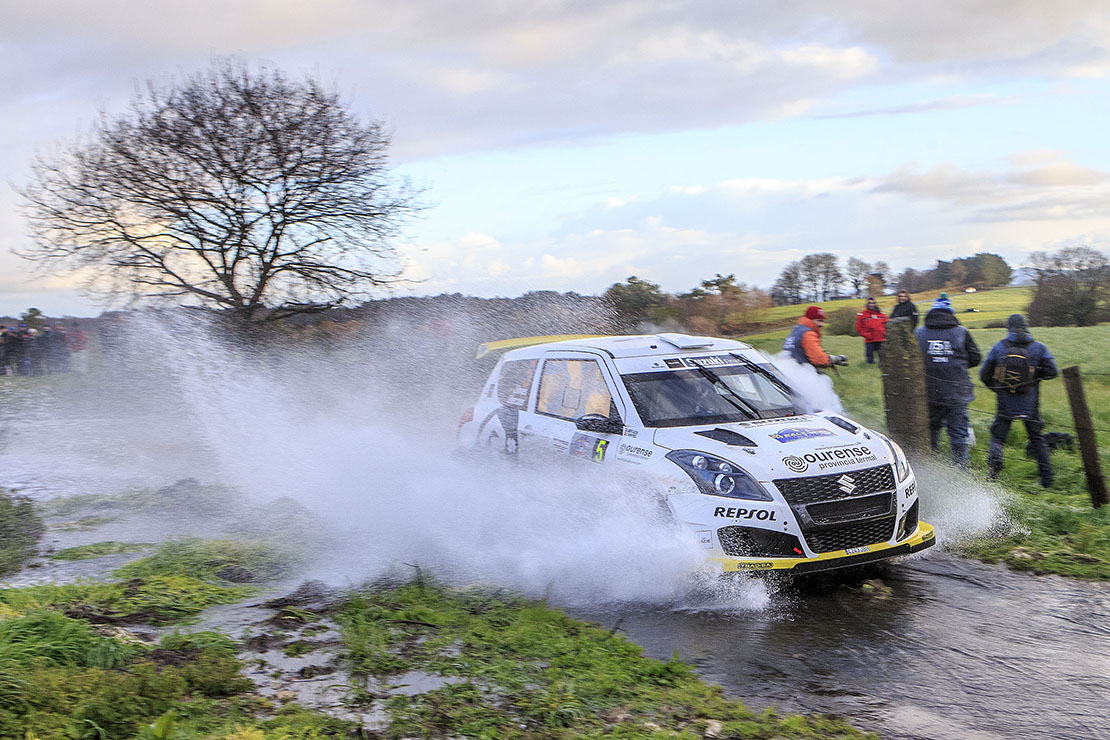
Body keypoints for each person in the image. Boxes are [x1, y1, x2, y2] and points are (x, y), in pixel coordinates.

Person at [979, 314, 1058, 487]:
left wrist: (998, 387)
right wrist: (1035, 378)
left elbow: (983, 374)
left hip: (1005, 402)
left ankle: (993, 473)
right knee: (1037, 439)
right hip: (1030, 403)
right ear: (1026, 326)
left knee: (997, 438)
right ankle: (1047, 480)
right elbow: (1053, 371)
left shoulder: (999, 347)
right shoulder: (1038, 347)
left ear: (1009, 327)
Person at [914, 293, 981, 469]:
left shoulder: (919, 333)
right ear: (950, 312)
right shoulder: (961, 332)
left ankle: (928, 471)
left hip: (929, 392)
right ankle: (961, 472)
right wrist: (956, 365)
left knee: (931, 432)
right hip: (957, 392)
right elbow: (976, 358)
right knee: (959, 435)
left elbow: (913, 360)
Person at [783, 306, 848, 368]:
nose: (822, 324)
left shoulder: (797, 330)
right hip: (802, 372)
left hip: (790, 370)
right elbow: (819, 360)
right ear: (810, 320)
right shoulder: (808, 334)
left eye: (823, 321)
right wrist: (836, 359)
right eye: (819, 320)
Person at [855, 297, 888, 364]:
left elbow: (887, 325)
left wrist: (884, 333)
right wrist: (867, 335)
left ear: (876, 304)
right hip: (870, 340)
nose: (871, 305)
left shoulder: (882, 314)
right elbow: (859, 327)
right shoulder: (862, 315)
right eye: (870, 303)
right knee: (869, 359)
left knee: (883, 359)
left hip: (881, 339)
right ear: (867, 304)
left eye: (873, 303)